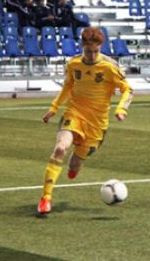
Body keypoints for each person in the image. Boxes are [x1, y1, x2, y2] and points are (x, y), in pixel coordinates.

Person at [37, 27, 133, 215]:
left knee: (74, 165)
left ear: (100, 47)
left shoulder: (109, 67)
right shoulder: (73, 64)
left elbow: (127, 90)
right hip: (74, 113)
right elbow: (68, 86)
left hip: (97, 124)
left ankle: (74, 168)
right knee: (60, 148)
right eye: (88, 51)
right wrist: (54, 108)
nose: (91, 55)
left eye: (95, 51)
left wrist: (121, 109)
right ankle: (46, 198)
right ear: (82, 46)